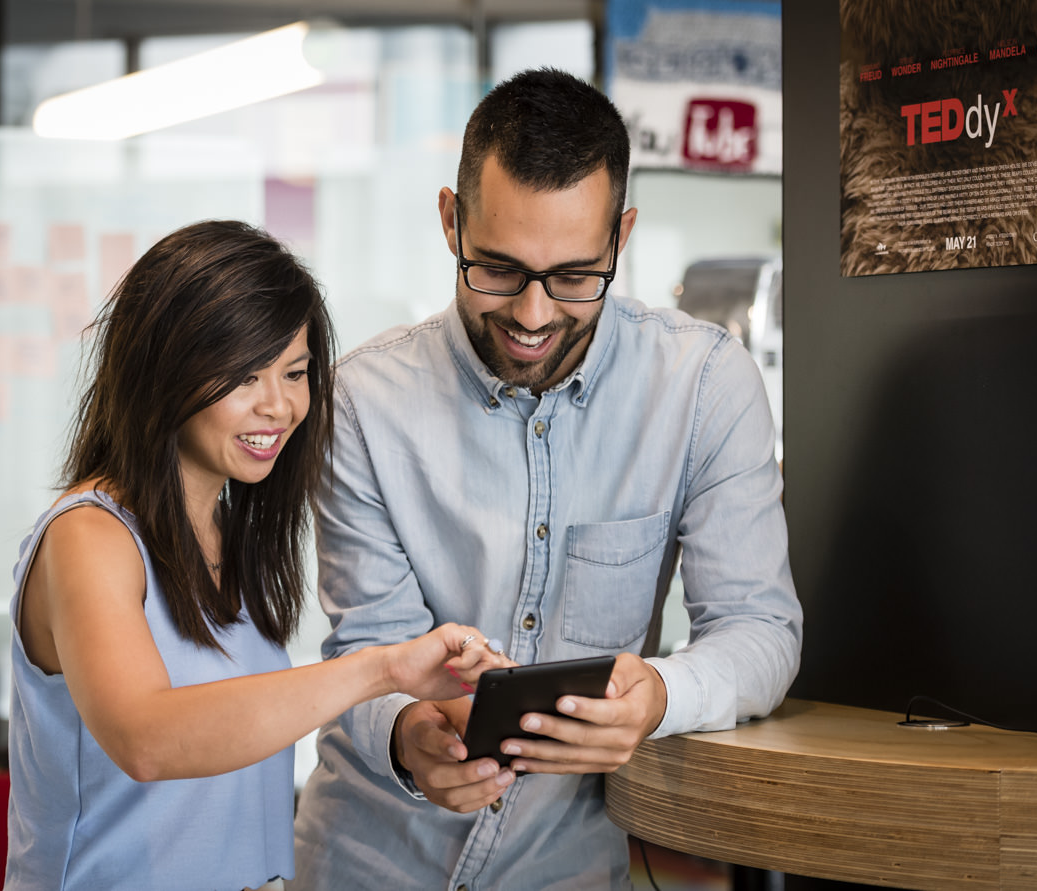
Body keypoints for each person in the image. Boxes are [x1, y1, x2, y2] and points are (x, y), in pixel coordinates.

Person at [290, 69, 803, 889]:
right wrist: (405, 734)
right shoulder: (363, 403)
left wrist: (662, 693)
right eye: (496, 269)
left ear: (620, 236)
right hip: (367, 859)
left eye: (572, 277)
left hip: (564, 867)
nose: (532, 316)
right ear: (451, 221)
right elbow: (366, 651)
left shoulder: (703, 384)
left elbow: (761, 628)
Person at [3, 220, 509, 890]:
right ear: (163, 371)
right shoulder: (89, 537)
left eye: (294, 372)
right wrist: (383, 668)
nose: (279, 405)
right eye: (244, 375)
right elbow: (147, 739)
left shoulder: (224, 534)